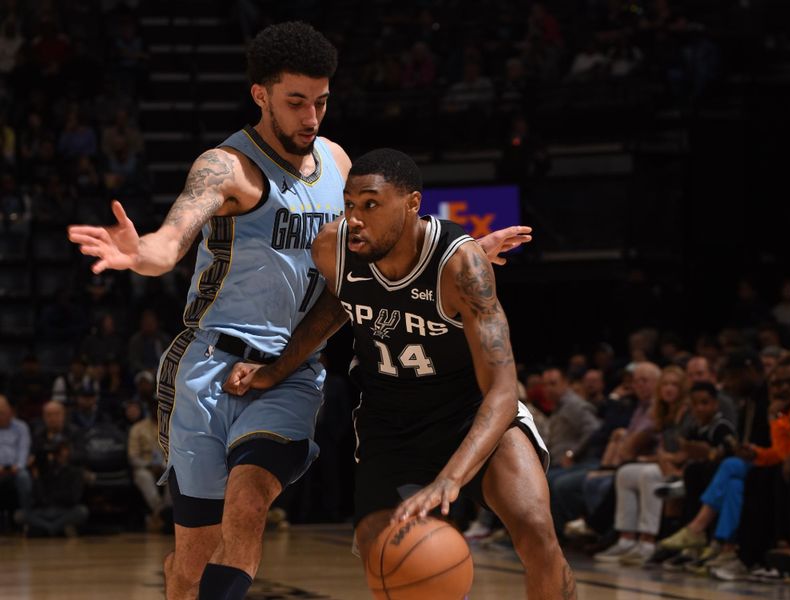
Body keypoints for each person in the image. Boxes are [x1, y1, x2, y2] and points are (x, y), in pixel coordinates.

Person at [68, 22, 531, 600]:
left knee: (250, 501)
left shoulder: (337, 164)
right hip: (207, 367)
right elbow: (171, 239)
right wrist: (145, 255)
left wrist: (453, 258)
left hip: (290, 367)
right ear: (260, 95)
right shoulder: (227, 167)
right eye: (296, 103)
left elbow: (379, 245)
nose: (311, 118)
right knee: (192, 560)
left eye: (321, 102)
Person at [225, 148, 574, 599]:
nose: (356, 217)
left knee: (536, 529)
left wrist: (450, 478)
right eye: (350, 204)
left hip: (470, 411)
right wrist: (275, 370)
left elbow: (503, 393)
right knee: (395, 566)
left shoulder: (462, 266)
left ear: (412, 204)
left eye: (371, 204)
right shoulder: (334, 248)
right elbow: (338, 304)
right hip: (390, 424)